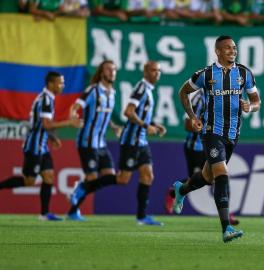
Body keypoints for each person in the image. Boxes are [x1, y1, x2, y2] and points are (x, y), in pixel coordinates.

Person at [172, 35, 261, 243]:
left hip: (233, 134)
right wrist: (193, 117)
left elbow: (256, 100)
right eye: (228, 48)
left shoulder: (244, 73)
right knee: (221, 173)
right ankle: (226, 228)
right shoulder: (206, 74)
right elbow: (183, 92)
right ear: (218, 51)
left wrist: (251, 106)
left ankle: (181, 188)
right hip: (212, 131)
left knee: (208, 177)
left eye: (234, 48)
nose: (233, 51)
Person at [68, 61, 167, 226]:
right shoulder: (138, 89)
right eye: (153, 70)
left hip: (134, 141)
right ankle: (82, 189)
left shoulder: (112, 93)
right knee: (119, 179)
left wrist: (153, 125)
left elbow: (110, 116)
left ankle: (141, 217)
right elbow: (128, 112)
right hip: (109, 142)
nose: (157, 73)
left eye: (159, 70)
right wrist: (72, 115)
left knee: (147, 175)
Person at [0, 71, 81, 220]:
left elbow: (41, 124)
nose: (63, 85)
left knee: (49, 177)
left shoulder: (48, 98)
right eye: (60, 82)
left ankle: (44, 214)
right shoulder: (45, 100)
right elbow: (46, 124)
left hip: (42, 146)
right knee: (29, 181)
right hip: (34, 146)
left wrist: (52, 137)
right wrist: (69, 123)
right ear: (51, 84)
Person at [164, 89, 240, 225]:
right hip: (196, 147)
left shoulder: (224, 96)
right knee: (204, 178)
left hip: (214, 145)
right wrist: (208, 127)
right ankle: (174, 192)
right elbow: (187, 124)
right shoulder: (199, 98)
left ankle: (227, 214)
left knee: (220, 175)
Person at [67, 60, 122, 221]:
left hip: (101, 144)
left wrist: (113, 126)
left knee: (110, 176)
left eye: (114, 69)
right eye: (108, 69)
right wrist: (72, 117)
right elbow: (76, 106)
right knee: (92, 179)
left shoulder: (112, 93)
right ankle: (75, 205)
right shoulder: (93, 90)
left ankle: (76, 199)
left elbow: (105, 114)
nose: (112, 72)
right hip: (87, 142)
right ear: (101, 72)